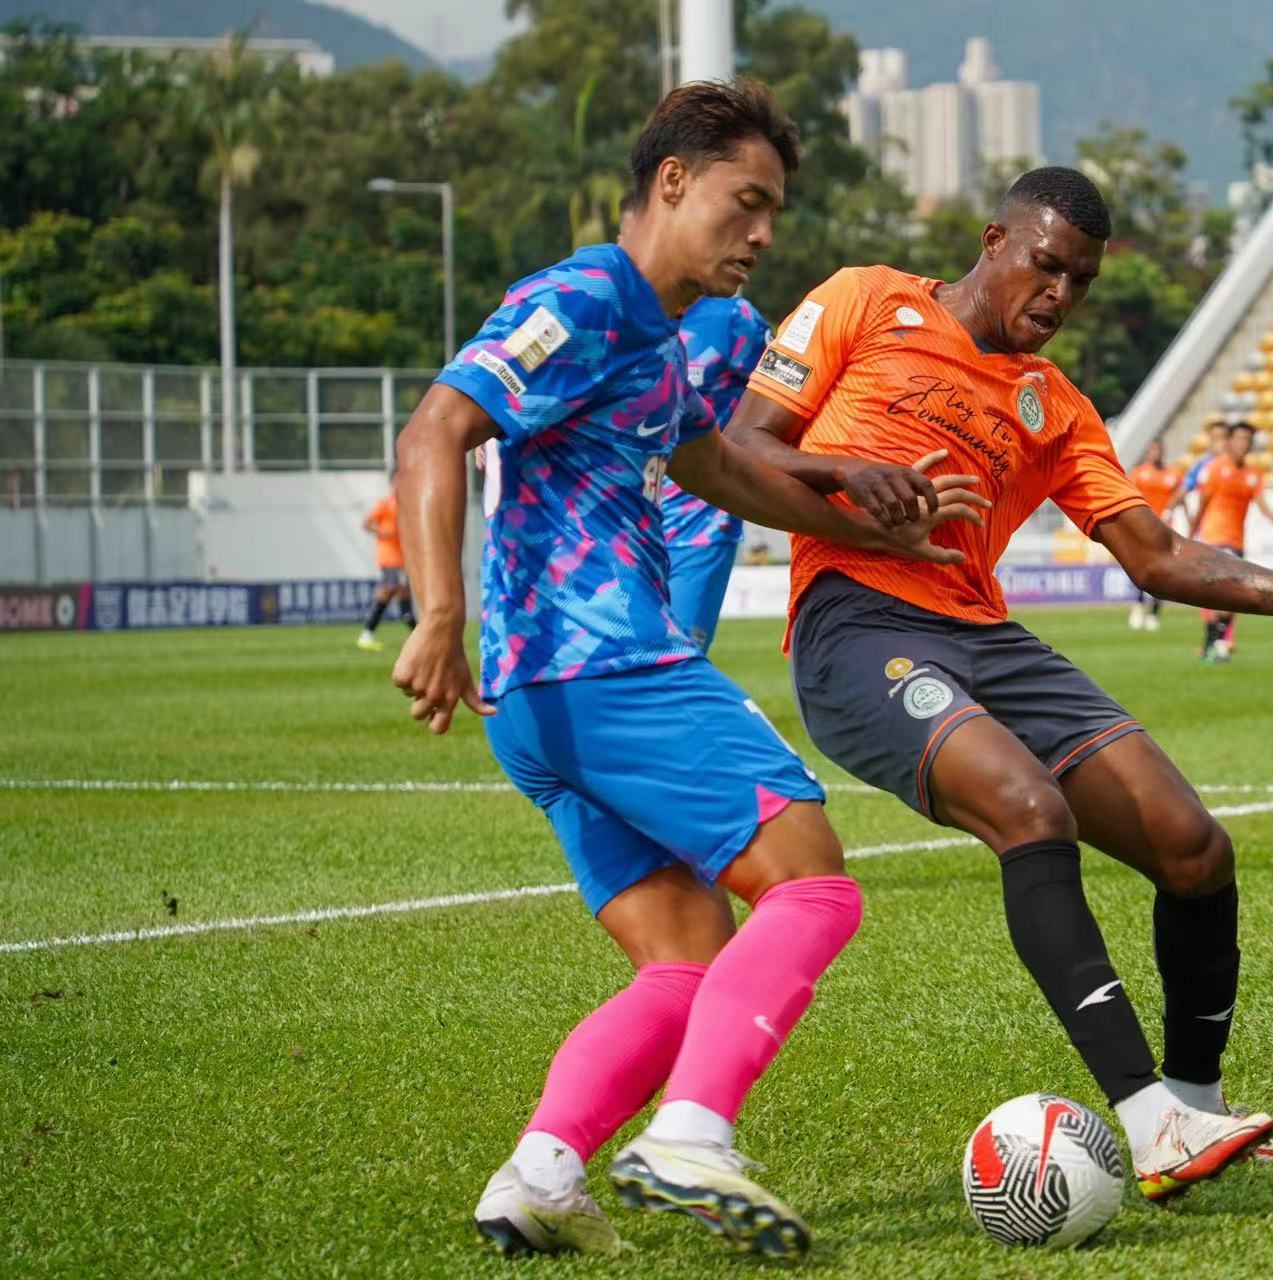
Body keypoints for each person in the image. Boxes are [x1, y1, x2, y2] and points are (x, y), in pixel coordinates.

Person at [728, 166, 1273, 1200]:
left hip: (983, 633)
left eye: (1082, 280)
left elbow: (1157, 555)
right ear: (994, 241)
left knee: (1194, 847)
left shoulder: (1054, 405)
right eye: (1047, 265)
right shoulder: (865, 299)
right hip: (858, 625)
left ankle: (1196, 1105)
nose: (1060, 294)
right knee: (1029, 806)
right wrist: (849, 476)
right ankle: (1150, 1122)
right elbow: (742, 444)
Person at [389, 78, 985, 1261]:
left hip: (542, 704)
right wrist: (438, 612)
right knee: (812, 880)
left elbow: (719, 468)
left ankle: (540, 1172)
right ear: (672, 180)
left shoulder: (658, 343)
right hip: (607, 664)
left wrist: (874, 525)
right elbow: (434, 430)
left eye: (773, 213)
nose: (761, 233)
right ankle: (691, 1134)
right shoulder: (582, 298)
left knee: (688, 954)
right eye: (744, 202)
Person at [660, 292, 773, 651]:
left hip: (701, 521)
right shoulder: (620, 307)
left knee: (678, 658)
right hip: (622, 520)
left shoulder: (733, 318)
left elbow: (785, 398)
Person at [1189, 422, 1273, 662]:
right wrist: (1191, 532)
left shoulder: (1252, 475)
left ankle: (1210, 644)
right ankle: (1218, 644)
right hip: (1214, 538)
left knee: (1225, 596)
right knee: (1225, 593)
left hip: (1236, 541)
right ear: (1230, 442)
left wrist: (1271, 515)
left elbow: (1261, 502)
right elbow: (1202, 504)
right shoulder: (1215, 469)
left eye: (1248, 440)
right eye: (1240, 439)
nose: (1244, 444)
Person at [1126, 438, 1182, 630]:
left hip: (1164, 528)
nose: (1155, 453)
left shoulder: (1172, 474)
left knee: (1162, 571)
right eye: (1152, 450)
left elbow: (1180, 495)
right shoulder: (1139, 473)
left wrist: (1178, 513)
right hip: (1143, 527)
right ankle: (1138, 605)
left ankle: (1153, 613)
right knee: (1142, 568)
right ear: (1148, 452)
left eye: (1158, 450)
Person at [357, 471, 415, 650]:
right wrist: (383, 532)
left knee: (388, 593)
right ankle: (415, 633)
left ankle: (367, 633)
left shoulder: (407, 505)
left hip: (401, 558)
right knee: (401, 591)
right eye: (398, 481)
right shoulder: (386, 504)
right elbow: (367, 523)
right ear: (392, 483)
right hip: (390, 558)